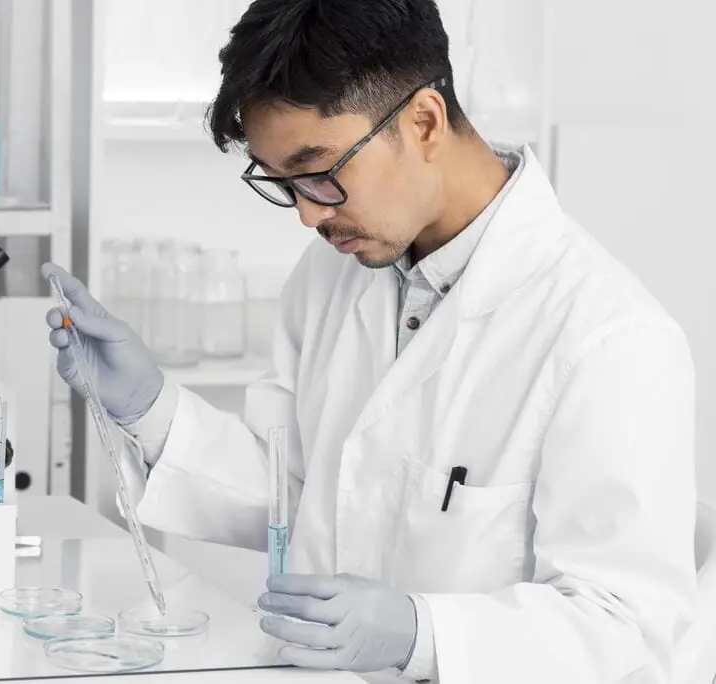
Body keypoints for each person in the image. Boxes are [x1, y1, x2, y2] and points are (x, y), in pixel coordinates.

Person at [42, 1, 698, 681]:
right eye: (283, 183)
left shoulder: (609, 339)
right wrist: (149, 407)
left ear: (424, 122)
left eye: (320, 171)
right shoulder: (334, 273)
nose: (307, 214)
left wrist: (422, 633)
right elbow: (298, 492)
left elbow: (626, 624)